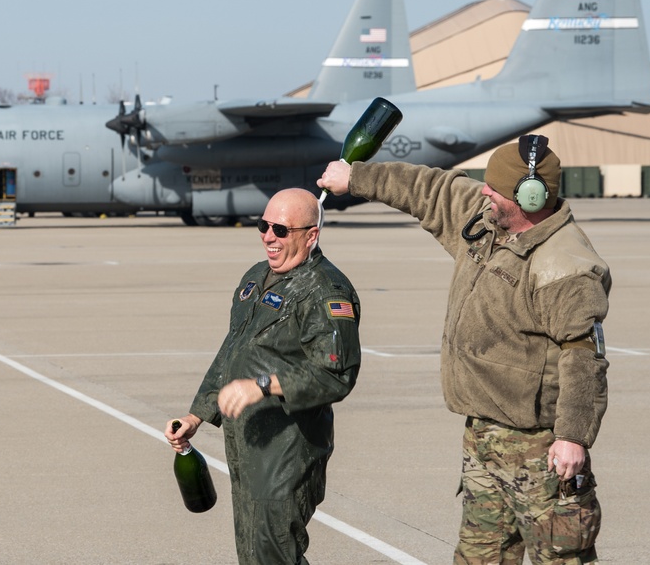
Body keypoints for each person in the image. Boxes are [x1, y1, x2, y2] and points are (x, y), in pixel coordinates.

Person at [317, 135, 608, 564]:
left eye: (494, 188)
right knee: (478, 558)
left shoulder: (567, 266)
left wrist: (572, 437)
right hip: (482, 439)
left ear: (529, 197)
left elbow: (585, 358)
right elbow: (429, 190)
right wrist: (357, 177)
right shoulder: (488, 218)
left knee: (561, 557)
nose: (483, 192)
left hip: (538, 449)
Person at [165, 187, 362, 565]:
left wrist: (263, 386)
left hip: (288, 450)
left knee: (272, 555)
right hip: (248, 445)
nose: (269, 236)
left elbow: (337, 374)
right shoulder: (257, 277)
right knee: (256, 555)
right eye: (263, 225)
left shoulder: (325, 290)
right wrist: (198, 415)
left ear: (311, 235)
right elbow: (234, 349)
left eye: (281, 230)